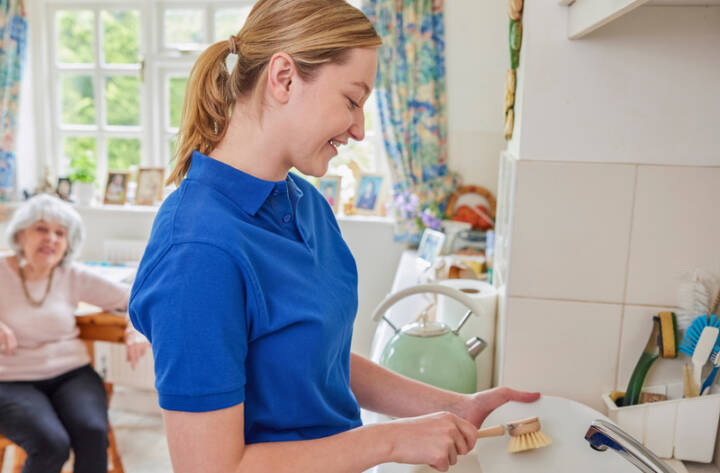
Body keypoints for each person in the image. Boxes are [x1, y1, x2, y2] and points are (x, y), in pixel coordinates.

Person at [128, 1, 539, 472]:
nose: (360, 130)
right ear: (284, 78)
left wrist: (455, 406)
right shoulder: (196, 251)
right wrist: (390, 440)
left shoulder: (305, 203)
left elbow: (318, 359)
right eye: (351, 101)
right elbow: (212, 469)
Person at [0, 194, 150, 473]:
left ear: (68, 242)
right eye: (41, 229)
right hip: (10, 379)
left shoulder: (70, 273)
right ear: (20, 235)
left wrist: (135, 330)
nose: (51, 239)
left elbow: (136, 298)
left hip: (72, 374)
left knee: (92, 432)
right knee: (51, 444)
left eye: (60, 233)